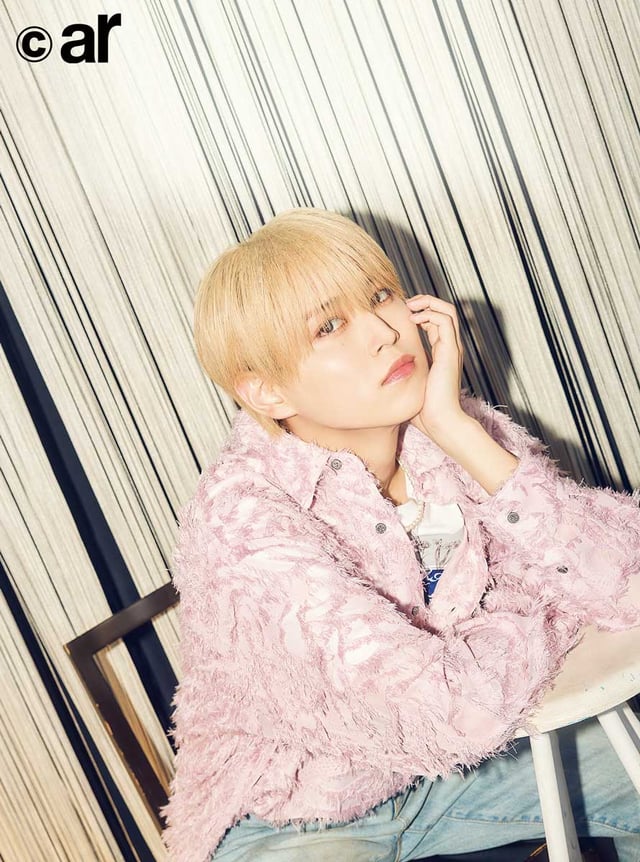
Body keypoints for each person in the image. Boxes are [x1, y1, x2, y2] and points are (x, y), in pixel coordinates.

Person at [162, 208, 640, 862]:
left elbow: (626, 581)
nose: (385, 332)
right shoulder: (240, 517)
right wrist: (540, 610)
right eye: (329, 326)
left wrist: (459, 431)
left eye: (381, 295)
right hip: (290, 819)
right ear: (268, 392)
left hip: (449, 781)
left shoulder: (451, 434)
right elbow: (455, 711)